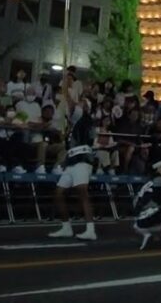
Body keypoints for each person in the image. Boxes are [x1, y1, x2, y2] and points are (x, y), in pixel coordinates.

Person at [48, 99, 98, 241]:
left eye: (82, 104)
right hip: (72, 160)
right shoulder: (75, 124)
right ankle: (66, 226)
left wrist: (67, 87)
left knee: (82, 192)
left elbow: (72, 105)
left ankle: (90, 229)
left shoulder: (85, 119)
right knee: (59, 192)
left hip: (82, 160)